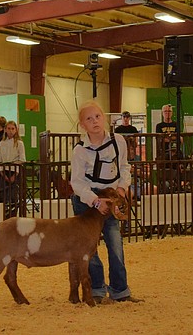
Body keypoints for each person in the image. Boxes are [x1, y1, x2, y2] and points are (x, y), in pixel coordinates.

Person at [69, 102, 139, 304]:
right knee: (90, 249)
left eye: (97, 116)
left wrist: (121, 188)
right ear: (82, 125)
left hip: (111, 196)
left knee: (115, 243)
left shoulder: (118, 141)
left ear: (104, 118)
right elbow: (77, 182)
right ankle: (97, 290)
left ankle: (120, 291)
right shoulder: (80, 151)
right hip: (87, 200)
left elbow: (124, 167)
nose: (95, 122)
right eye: (89, 119)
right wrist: (94, 201)